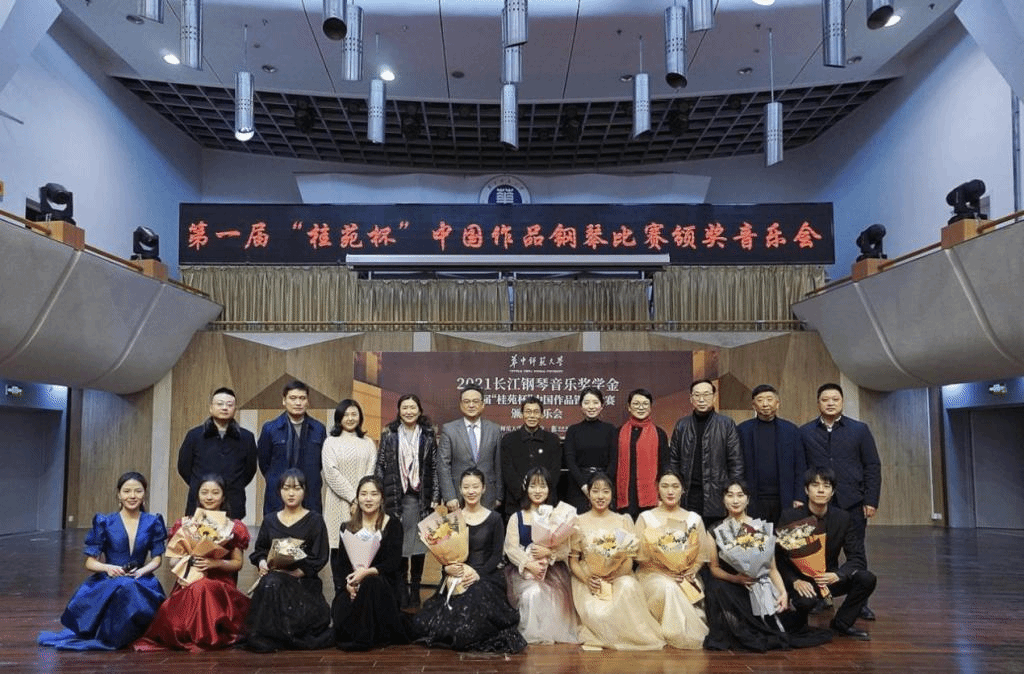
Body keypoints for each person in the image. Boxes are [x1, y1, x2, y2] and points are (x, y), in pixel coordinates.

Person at [39, 472, 166, 650]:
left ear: (144, 494)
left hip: (141, 578)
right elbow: (90, 563)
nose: (132, 496)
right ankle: (117, 635)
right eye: (127, 491)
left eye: (138, 491)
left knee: (131, 587)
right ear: (118, 495)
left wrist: (142, 571)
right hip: (111, 578)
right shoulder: (105, 522)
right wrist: (108, 568)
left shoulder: (153, 522)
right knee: (125, 587)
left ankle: (125, 634)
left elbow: (157, 559)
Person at [704, 480, 832, 652]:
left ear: (748, 500)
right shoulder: (714, 529)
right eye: (730, 495)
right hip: (732, 584)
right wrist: (737, 579)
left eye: (740, 495)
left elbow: (772, 568)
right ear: (723, 499)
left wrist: (783, 593)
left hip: (758, 585)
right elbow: (714, 568)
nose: (735, 500)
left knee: (783, 624)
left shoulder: (760, 527)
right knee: (716, 587)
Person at [413, 468, 527, 653]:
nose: (471, 491)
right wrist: (447, 569)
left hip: (486, 577)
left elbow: (496, 556)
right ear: (460, 489)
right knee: (423, 623)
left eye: (475, 486)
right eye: (466, 487)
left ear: (483, 488)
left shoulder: (495, 518)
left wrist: (477, 574)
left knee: (473, 606)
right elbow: (445, 554)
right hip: (456, 576)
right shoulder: (452, 520)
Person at [133, 474, 251, 651]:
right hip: (187, 581)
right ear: (197, 495)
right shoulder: (185, 524)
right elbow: (172, 562)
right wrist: (189, 559)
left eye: (215, 493)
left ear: (223, 497)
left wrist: (214, 563)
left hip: (219, 584)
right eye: (204, 492)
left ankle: (204, 635)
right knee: (193, 592)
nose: (209, 497)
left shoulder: (233, 526)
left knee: (203, 587)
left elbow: (237, 563)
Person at [800, 382, 881, 620]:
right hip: (818, 504)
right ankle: (823, 597)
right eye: (825, 400)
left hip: (852, 501)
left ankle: (860, 602)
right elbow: (801, 468)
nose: (830, 403)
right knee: (820, 553)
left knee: (856, 552)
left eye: (835, 399)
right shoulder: (805, 432)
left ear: (842, 402)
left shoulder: (859, 430)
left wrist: (871, 500)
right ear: (818, 403)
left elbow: (872, 466)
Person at [778, 467, 878, 640]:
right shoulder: (790, 516)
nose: (821, 490)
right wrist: (795, 581)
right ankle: (799, 622)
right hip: (801, 581)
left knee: (867, 578)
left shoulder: (843, 518)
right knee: (805, 603)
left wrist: (838, 575)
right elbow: (779, 558)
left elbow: (857, 557)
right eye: (815, 485)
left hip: (828, 578)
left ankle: (842, 623)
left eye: (826, 486)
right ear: (806, 490)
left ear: (833, 492)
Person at [568, 472, 665, 651]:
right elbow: (573, 561)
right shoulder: (578, 521)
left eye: (605, 491)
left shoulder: (622, 520)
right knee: (598, 614)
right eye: (595, 491)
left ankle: (631, 635)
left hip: (618, 575)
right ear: (588, 494)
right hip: (589, 578)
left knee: (628, 586)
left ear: (612, 494)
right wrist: (587, 580)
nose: (600, 496)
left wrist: (616, 575)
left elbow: (629, 558)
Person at [245, 468, 333, 652]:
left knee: (274, 582)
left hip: (302, 583)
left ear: (305, 491)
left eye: (297, 488)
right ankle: (267, 635)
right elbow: (260, 550)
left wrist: (294, 573)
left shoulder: (315, 520)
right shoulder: (270, 520)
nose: (291, 493)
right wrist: (262, 563)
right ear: (279, 491)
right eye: (286, 488)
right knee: (271, 582)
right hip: (273, 579)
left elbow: (319, 556)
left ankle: (278, 634)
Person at [331, 475, 411, 651]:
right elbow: (342, 565)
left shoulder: (393, 524)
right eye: (363, 494)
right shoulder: (347, 527)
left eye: (374, 494)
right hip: (354, 584)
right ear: (357, 498)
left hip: (383, 583)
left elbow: (393, 563)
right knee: (341, 607)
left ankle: (364, 637)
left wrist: (366, 572)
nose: (368, 499)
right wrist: (349, 585)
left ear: (382, 498)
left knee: (371, 583)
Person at [376, 393, 440, 609]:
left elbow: (434, 467)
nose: (409, 412)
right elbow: (380, 464)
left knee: (419, 545)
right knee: (400, 545)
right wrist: (379, 493)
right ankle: (402, 588)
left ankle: (415, 588)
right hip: (396, 498)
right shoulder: (390, 434)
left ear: (419, 410)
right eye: (405, 408)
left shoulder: (428, 435)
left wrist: (435, 497)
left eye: (413, 408)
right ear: (399, 411)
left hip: (420, 499)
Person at [634, 469, 709, 650]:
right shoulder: (646, 518)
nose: (670, 491)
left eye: (675, 486)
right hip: (651, 575)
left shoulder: (694, 519)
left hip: (685, 575)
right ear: (657, 488)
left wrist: (691, 571)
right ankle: (675, 633)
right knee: (667, 587)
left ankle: (679, 629)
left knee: (682, 588)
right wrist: (664, 571)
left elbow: (701, 555)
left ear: (683, 489)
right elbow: (639, 556)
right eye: (665, 486)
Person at [503, 467, 579, 644]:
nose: (538, 491)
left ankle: (550, 633)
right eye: (533, 486)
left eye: (542, 486)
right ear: (526, 489)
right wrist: (528, 564)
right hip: (524, 572)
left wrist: (549, 553)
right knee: (533, 592)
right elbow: (510, 548)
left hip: (553, 572)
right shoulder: (517, 517)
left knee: (553, 594)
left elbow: (565, 549)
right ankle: (531, 633)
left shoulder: (557, 516)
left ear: (549, 489)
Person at [667, 379, 743, 528]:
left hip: (717, 495)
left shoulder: (726, 424)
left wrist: (733, 493)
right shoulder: (682, 425)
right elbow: (673, 461)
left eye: (706, 394)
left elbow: (736, 462)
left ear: (714, 397)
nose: (701, 399)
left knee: (714, 537)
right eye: (697, 395)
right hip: (688, 495)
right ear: (691, 398)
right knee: (687, 536)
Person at [176, 386, 258, 520]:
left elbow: (250, 470)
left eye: (229, 405)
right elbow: (183, 467)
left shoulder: (246, 437)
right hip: (200, 502)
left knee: (233, 533)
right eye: (220, 404)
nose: (224, 408)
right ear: (211, 408)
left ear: (235, 409)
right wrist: (202, 487)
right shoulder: (194, 435)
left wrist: (233, 485)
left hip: (233, 501)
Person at [322, 399, 377, 590]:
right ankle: (340, 592)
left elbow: (371, 472)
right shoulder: (330, 442)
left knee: (362, 549)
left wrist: (361, 499)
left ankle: (359, 593)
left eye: (354, 414)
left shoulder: (368, 443)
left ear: (360, 417)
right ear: (339, 418)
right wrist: (354, 498)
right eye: (346, 414)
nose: (350, 418)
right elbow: (331, 473)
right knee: (338, 549)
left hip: (365, 505)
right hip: (337, 504)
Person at [737, 384, 806, 523]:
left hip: (785, 498)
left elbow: (800, 467)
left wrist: (799, 496)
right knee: (754, 535)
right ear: (753, 405)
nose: (765, 404)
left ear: (777, 403)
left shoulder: (791, 430)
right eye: (760, 400)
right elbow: (736, 465)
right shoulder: (742, 430)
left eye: (769, 399)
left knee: (784, 535)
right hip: (753, 498)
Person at [257, 380, 327, 515]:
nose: (298, 403)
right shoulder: (270, 428)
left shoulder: (318, 429)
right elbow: (264, 463)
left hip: (309, 494)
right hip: (278, 494)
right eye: (293, 398)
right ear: (284, 400)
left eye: (302, 398)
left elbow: (320, 463)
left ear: (308, 401)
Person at [437, 385, 502, 511]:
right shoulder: (449, 429)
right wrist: (449, 496)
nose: (471, 405)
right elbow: (443, 466)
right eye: (467, 402)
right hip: (458, 497)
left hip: (488, 495)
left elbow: (498, 464)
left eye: (475, 401)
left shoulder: (494, 429)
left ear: (483, 405)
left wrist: (499, 495)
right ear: (461, 405)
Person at [500, 396, 563, 519]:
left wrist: (541, 494)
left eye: (536, 412)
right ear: (521, 415)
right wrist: (523, 495)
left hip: (545, 503)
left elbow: (555, 472)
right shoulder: (509, 440)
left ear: (542, 415)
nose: (532, 416)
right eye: (528, 412)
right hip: (516, 503)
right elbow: (508, 472)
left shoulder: (552, 440)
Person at [613, 388, 669, 519]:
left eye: (645, 404)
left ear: (650, 407)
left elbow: (664, 467)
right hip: (625, 497)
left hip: (650, 497)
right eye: (636, 404)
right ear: (629, 407)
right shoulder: (618, 433)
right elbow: (613, 465)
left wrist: (662, 496)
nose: (641, 407)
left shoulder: (659, 434)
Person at [563, 386, 617, 512]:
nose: (591, 406)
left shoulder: (610, 429)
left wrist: (602, 485)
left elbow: (614, 460)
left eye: (595, 402)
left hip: (604, 485)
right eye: (586, 403)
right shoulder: (573, 430)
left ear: (602, 406)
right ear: (581, 406)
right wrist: (584, 486)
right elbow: (570, 461)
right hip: (578, 486)